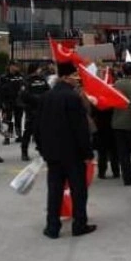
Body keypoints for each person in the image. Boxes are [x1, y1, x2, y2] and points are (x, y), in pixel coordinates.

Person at [35, 62, 96, 239]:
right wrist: (87, 153)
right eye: (74, 75)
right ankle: (79, 224)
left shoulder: (46, 97)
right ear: (65, 77)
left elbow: (37, 126)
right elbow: (80, 129)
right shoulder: (72, 98)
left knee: (54, 190)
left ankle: (52, 226)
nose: (77, 78)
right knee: (78, 190)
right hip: (73, 154)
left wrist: (42, 148)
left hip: (52, 153)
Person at [111, 62, 131, 186]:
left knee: (123, 153)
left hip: (118, 122)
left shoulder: (116, 85)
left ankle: (127, 179)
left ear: (123, 71)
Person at [20, 63, 51, 162]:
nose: (40, 70)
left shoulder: (42, 80)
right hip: (31, 109)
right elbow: (25, 94)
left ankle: (42, 151)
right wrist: (38, 99)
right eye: (39, 69)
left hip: (42, 109)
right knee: (28, 131)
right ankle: (24, 152)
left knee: (41, 131)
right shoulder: (26, 80)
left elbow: (48, 91)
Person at [0, 61, 25, 144]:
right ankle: (7, 137)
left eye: (18, 66)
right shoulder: (4, 77)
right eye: (15, 66)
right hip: (8, 101)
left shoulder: (21, 76)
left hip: (18, 101)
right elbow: (0, 90)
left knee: (18, 118)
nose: (17, 67)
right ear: (10, 66)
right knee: (7, 119)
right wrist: (2, 102)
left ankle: (19, 135)